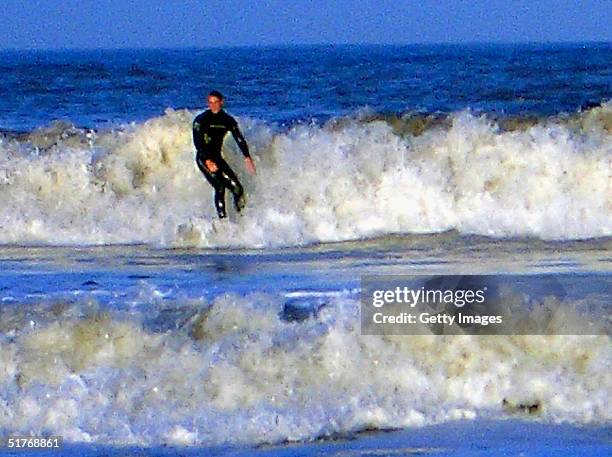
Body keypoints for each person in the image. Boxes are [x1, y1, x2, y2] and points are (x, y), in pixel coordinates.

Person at [193, 90, 256, 218]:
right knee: (220, 186)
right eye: (210, 103)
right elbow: (198, 143)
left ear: (221, 102)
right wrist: (207, 161)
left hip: (217, 158)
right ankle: (223, 222)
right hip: (204, 158)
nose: (213, 105)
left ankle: (241, 218)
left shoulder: (227, 120)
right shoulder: (201, 120)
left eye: (216, 102)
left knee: (238, 189)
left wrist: (247, 157)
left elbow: (239, 139)